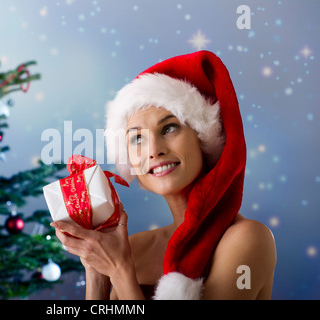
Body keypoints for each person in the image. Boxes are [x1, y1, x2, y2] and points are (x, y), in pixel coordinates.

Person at [50, 51, 277, 300]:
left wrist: (120, 271)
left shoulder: (248, 239)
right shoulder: (134, 248)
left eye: (169, 127)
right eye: (137, 138)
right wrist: (96, 271)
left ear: (203, 137)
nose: (154, 150)